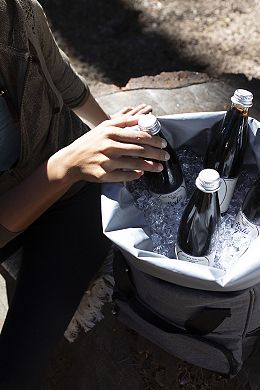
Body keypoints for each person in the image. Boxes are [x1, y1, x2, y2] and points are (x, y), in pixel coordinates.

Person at [0, 0, 169, 388]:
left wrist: (109, 132)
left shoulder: (11, 8)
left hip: (71, 202)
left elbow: (57, 73)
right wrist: (64, 167)